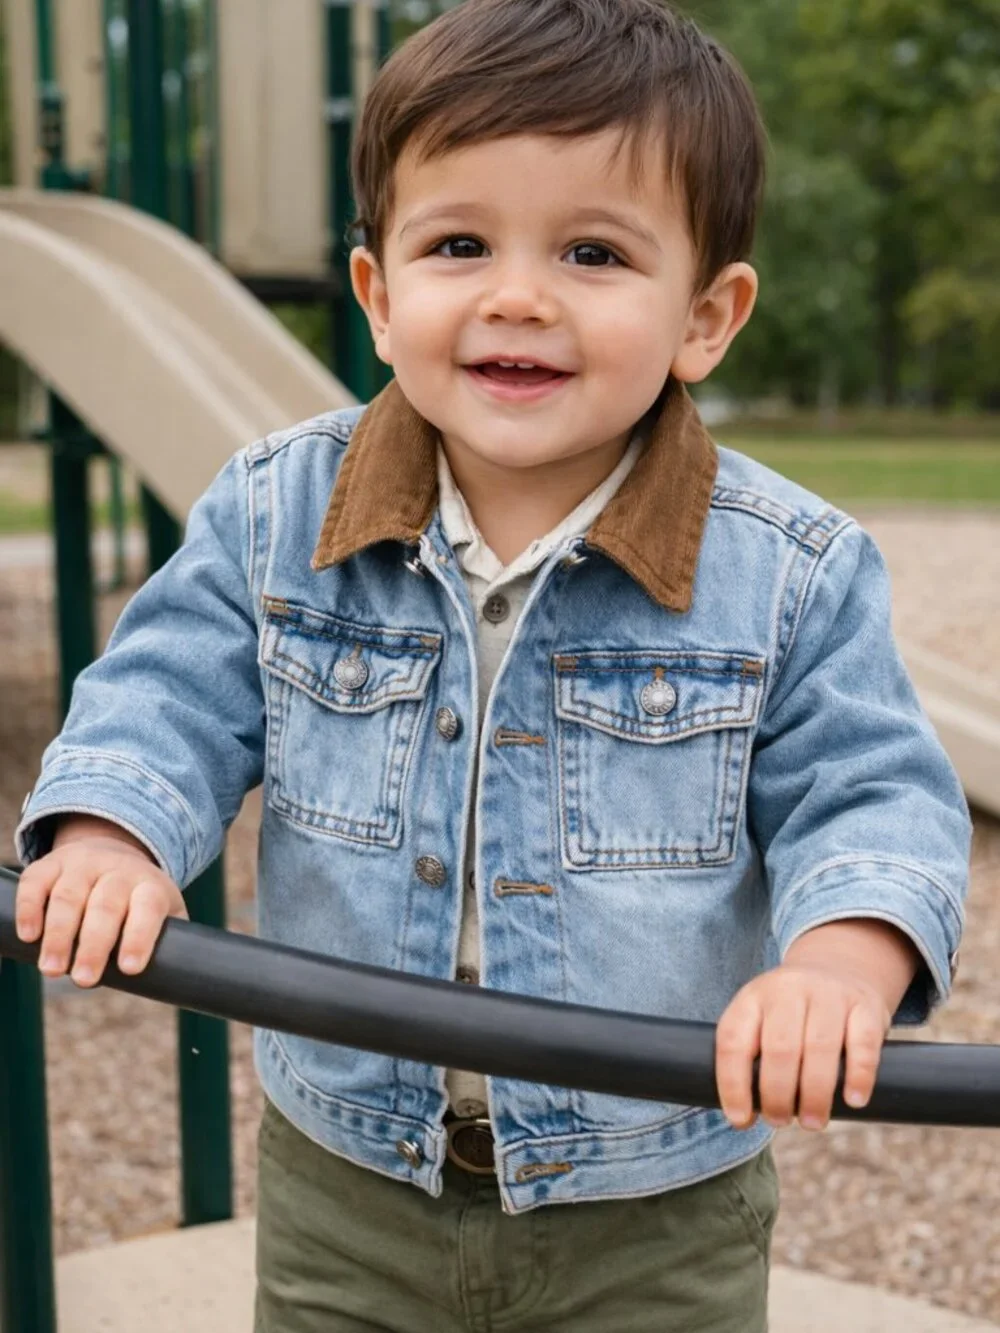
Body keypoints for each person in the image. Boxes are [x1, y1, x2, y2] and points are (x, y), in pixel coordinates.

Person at [14, 1, 971, 1328]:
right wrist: (113, 834)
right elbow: (165, 697)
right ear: (379, 295)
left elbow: (871, 797)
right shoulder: (276, 513)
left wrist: (838, 967)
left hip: (652, 1202)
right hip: (347, 1182)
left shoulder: (788, 570)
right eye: (459, 245)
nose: (517, 296)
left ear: (706, 317)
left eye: (592, 252)